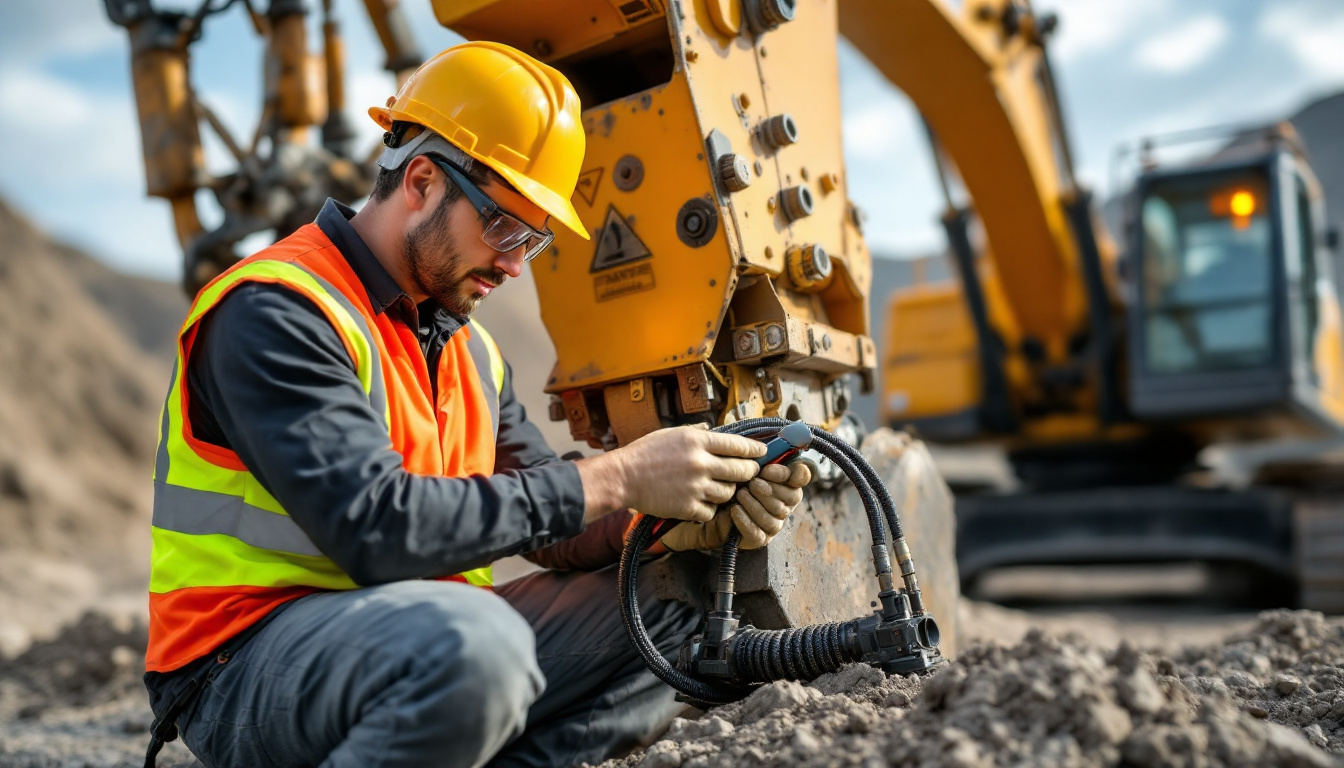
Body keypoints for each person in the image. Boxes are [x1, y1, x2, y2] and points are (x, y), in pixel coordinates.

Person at [143, 41, 811, 768]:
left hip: (414, 639)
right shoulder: (279, 312)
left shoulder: (467, 349)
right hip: (241, 665)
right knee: (476, 650)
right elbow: (375, 530)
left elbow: (550, 528)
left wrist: (668, 513)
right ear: (423, 181)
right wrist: (621, 475)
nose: (514, 265)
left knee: (670, 612)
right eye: (502, 228)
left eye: (534, 240)